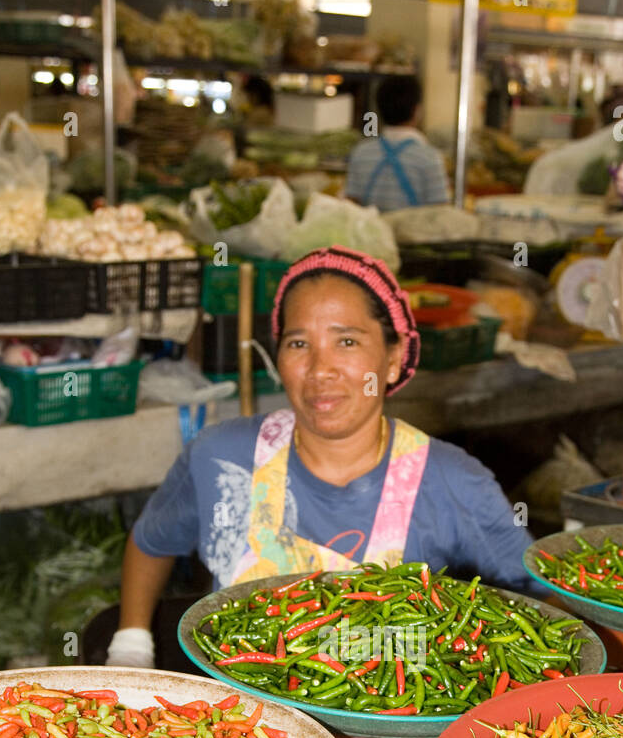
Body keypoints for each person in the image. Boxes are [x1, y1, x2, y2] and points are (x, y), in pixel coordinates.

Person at [107, 247, 532, 670]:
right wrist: (131, 645)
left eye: (347, 341)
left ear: (393, 357)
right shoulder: (221, 456)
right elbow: (151, 543)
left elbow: (540, 592)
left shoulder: (452, 480)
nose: (319, 369)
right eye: (298, 343)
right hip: (233, 724)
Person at [344, 75, 449, 212]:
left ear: (379, 109)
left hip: (372, 232)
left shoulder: (361, 153)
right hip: (413, 233)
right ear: (417, 111)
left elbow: (351, 205)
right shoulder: (429, 157)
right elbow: (440, 212)